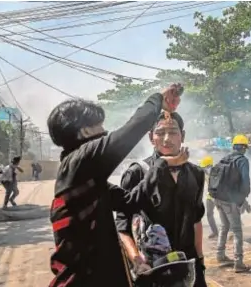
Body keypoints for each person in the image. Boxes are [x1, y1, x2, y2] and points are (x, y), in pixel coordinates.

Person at [46, 84, 184, 287]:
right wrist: (157, 100)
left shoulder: (87, 178)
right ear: (84, 131)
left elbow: (128, 201)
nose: (105, 131)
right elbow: (130, 131)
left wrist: (162, 166)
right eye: (99, 126)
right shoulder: (78, 163)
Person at [116, 111, 207, 287]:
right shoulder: (138, 172)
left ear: (183, 136)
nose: (166, 139)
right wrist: (137, 261)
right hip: (151, 267)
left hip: (186, 264)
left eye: (173, 132)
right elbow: (122, 225)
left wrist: (200, 259)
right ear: (151, 137)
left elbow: (196, 220)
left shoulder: (196, 174)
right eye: (160, 133)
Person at [208, 134, 251, 273]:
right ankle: (238, 262)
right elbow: (245, 182)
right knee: (237, 230)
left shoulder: (225, 159)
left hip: (217, 198)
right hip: (229, 200)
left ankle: (220, 255)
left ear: (234, 146)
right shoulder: (242, 161)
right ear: (244, 148)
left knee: (224, 226)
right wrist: (242, 199)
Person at [200, 156, 218, 239]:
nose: (204, 170)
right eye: (203, 168)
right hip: (210, 196)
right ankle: (215, 232)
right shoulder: (205, 174)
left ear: (210, 166)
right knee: (209, 214)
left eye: (205, 168)